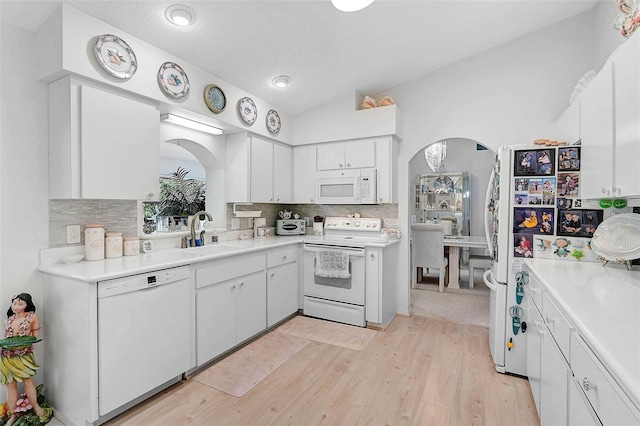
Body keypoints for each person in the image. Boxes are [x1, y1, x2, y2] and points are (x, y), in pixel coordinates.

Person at [1, 293, 52, 425]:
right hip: (7, 357)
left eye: (20, 303)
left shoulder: (31, 317)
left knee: (29, 382)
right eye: (14, 303)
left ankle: (36, 407)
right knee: (10, 385)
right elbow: (6, 338)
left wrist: (29, 340)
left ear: (27, 305)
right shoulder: (8, 320)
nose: (16, 306)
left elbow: (35, 334)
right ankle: (13, 413)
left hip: (24, 356)